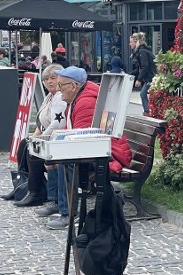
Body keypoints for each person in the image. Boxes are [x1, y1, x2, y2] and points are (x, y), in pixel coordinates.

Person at [43, 66, 132, 229]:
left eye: (61, 86)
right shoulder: (76, 97)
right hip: (98, 147)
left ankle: (68, 214)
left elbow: (81, 138)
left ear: (73, 86)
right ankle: (58, 202)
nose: (58, 89)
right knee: (55, 157)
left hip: (110, 154)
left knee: (67, 162)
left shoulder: (85, 102)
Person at [3, 63, 68, 207]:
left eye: (53, 78)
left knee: (34, 152)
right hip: (48, 135)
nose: (49, 81)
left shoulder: (59, 97)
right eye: (46, 79)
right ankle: (22, 185)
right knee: (25, 144)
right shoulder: (49, 97)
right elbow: (41, 122)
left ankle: (35, 192)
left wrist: (40, 138)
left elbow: (57, 123)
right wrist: (33, 138)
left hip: (56, 138)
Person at [129, 32, 156, 115]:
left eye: (131, 42)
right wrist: (129, 74)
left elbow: (145, 67)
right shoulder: (142, 50)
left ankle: (147, 111)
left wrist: (139, 79)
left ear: (136, 42)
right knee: (147, 94)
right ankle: (148, 111)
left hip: (151, 77)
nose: (130, 44)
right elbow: (139, 69)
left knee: (143, 94)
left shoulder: (142, 51)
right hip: (151, 76)